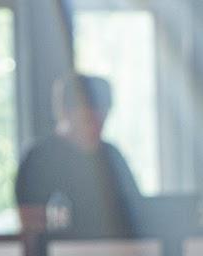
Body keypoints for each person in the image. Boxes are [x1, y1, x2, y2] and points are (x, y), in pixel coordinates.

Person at [16, 74, 141, 237]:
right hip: (63, 252)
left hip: (113, 250)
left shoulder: (111, 156)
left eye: (102, 120)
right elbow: (32, 227)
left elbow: (136, 213)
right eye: (89, 120)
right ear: (65, 112)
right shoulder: (39, 159)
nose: (96, 127)